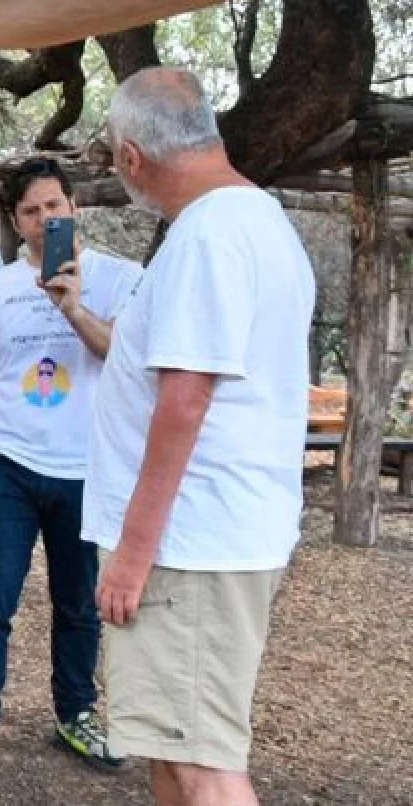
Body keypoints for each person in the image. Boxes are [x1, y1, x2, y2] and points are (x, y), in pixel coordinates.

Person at [85, 68, 314, 806]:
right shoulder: (254, 220)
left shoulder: (210, 235)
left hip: (189, 547)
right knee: (171, 749)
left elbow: (186, 401)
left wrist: (134, 552)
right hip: (202, 538)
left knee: (201, 767)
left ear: (131, 157)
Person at [0, 157, 140, 778]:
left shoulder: (121, 278)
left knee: (79, 603)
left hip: (88, 466)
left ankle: (76, 714)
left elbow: (128, 357)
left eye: (54, 206)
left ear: (74, 206)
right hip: (10, 463)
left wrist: (73, 306)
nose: (44, 219)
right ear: (16, 219)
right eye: (30, 210)